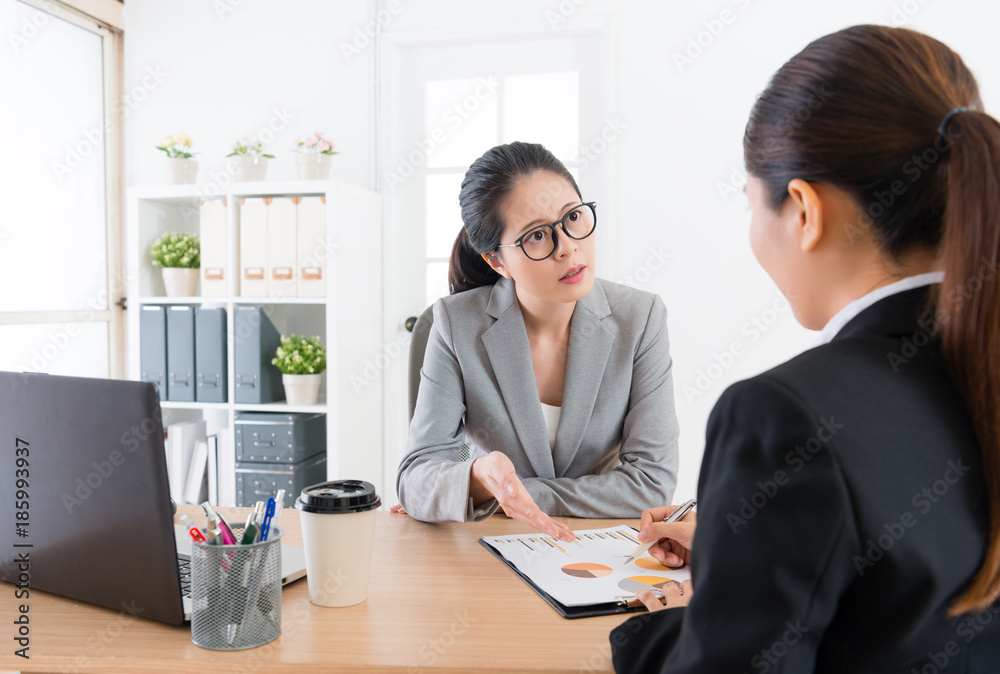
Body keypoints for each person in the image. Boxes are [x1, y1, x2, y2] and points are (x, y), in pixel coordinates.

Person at [611, 25, 1000, 672]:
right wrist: (744, 545)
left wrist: (664, 635)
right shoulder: (972, 367)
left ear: (802, 210)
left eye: (750, 205)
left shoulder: (783, 415)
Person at [395, 141, 680, 540]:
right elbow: (416, 482)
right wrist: (477, 475)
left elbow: (650, 484)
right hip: (491, 548)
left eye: (574, 217)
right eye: (536, 236)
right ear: (497, 261)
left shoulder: (641, 318)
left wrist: (506, 494)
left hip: (601, 548)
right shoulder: (455, 323)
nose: (568, 247)